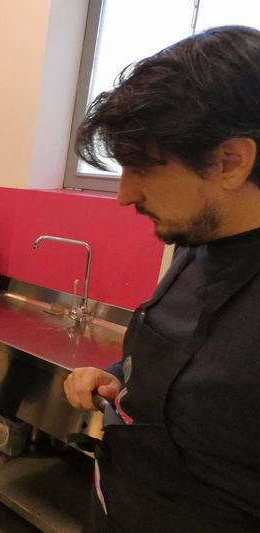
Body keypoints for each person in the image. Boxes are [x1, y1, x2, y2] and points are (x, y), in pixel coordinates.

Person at [64, 26, 260, 531]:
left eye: (143, 169)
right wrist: (120, 378)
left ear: (231, 161)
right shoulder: (197, 240)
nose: (124, 195)